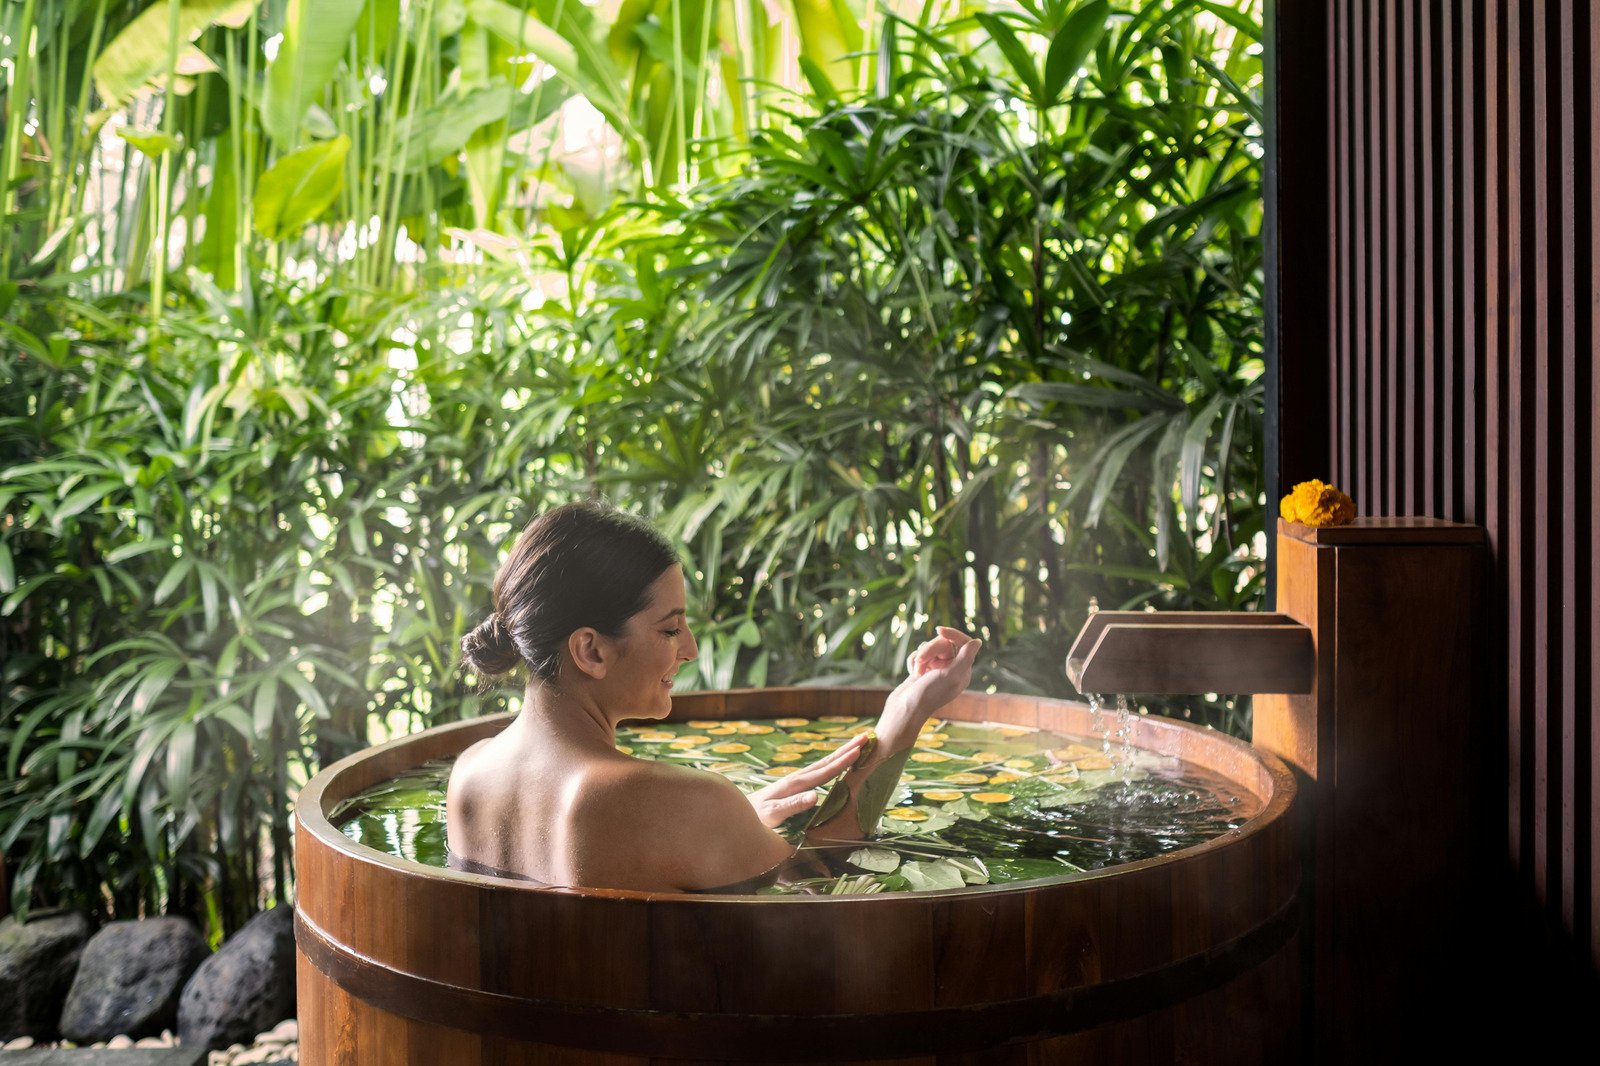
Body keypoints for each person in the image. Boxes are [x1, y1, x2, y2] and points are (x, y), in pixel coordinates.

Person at [446, 499, 982, 892]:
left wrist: (732, 826)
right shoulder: (662, 801)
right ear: (590, 650)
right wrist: (904, 715)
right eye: (669, 629)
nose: (691, 649)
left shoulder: (469, 775)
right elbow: (820, 871)